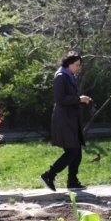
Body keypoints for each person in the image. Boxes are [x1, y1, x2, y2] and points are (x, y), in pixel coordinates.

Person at [40, 52, 92, 191]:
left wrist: (81, 101)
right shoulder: (61, 77)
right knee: (72, 151)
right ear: (68, 64)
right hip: (63, 120)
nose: (78, 68)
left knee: (77, 152)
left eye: (79, 65)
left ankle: (72, 181)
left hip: (70, 119)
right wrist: (79, 99)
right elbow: (60, 99)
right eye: (76, 65)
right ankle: (49, 175)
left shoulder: (69, 76)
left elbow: (69, 99)